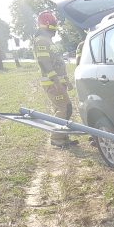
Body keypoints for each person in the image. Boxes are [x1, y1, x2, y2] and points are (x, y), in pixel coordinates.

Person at [32, 11, 78, 148]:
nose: (56, 30)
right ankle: (57, 140)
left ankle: (63, 137)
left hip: (58, 81)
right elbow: (44, 62)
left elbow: (58, 63)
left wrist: (66, 81)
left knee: (65, 109)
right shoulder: (41, 41)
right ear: (46, 25)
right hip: (52, 83)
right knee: (64, 109)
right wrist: (56, 81)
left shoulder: (49, 40)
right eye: (53, 26)